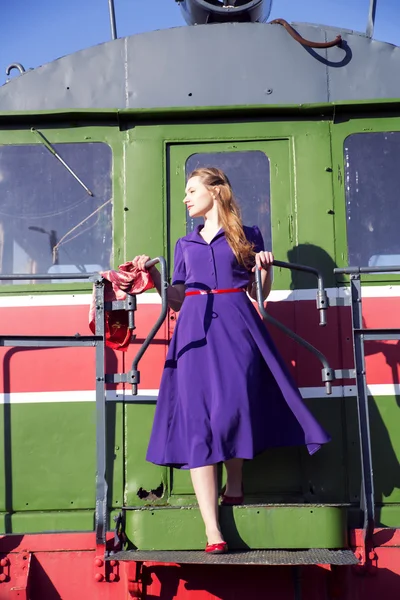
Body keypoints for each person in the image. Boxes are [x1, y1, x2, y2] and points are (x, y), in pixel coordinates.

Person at [133, 167, 330, 554]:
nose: (186, 198)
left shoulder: (247, 236)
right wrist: (155, 278)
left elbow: (261, 296)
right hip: (192, 334)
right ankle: (212, 531)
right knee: (197, 425)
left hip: (238, 329)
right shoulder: (184, 244)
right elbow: (176, 298)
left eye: (192, 191)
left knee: (232, 409)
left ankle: (235, 482)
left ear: (216, 192)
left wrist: (266, 269)